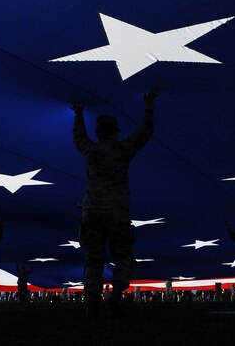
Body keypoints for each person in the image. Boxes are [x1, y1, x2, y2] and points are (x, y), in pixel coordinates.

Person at [71, 89, 158, 318]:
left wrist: (78, 114)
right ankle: (116, 294)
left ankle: (91, 305)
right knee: (124, 256)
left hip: (91, 210)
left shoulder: (89, 150)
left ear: (98, 132)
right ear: (115, 133)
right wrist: (148, 104)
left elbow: (78, 137)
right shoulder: (123, 149)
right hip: (116, 210)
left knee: (93, 258)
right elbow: (145, 132)